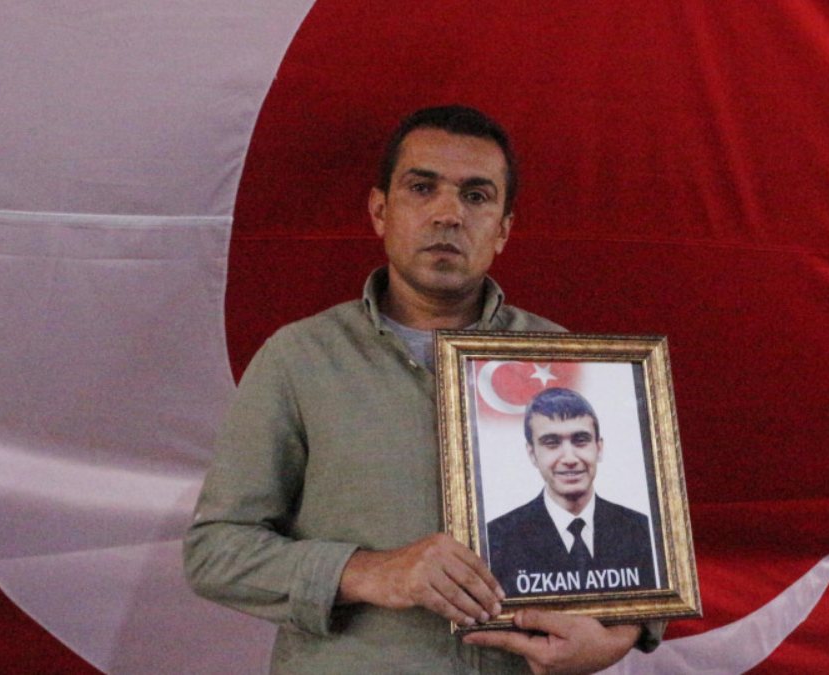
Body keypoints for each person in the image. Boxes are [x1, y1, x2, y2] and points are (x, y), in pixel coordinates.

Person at [183, 105, 661, 674]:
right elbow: (215, 551)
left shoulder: (569, 362)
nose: (448, 214)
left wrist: (623, 633)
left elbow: (639, 553)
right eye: (422, 188)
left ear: (503, 229)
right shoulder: (301, 359)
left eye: (476, 196)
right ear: (380, 211)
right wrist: (370, 572)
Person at [487, 387, 657, 597]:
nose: (569, 458)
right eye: (552, 443)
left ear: (599, 448)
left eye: (580, 440)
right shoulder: (497, 539)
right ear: (532, 454)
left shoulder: (643, 531)